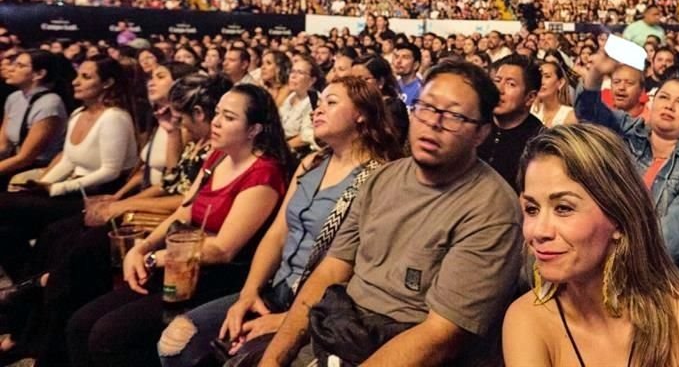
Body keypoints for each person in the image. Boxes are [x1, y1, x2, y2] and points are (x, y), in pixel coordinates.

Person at [257, 60, 523, 367]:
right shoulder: (381, 179)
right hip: (340, 329)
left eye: (453, 115)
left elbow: (441, 335)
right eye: (426, 107)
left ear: (481, 133)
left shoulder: (492, 209)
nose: (433, 123)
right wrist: (274, 359)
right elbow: (332, 269)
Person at [157, 77, 404, 367]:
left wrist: (289, 320)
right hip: (277, 289)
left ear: (362, 114)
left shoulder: (378, 177)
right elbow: (277, 235)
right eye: (319, 103)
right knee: (174, 343)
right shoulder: (311, 162)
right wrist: (248, 295)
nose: (317, 110)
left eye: (331, 103)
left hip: (323, 307)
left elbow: (359, 267)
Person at [65, 84, 290, 367]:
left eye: (229, 117)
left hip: (215, 277)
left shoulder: (264, 172)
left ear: (254, 129)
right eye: (218, 113)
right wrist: (142, 247)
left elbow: (223, 250)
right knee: (80, 323)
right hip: (180, 264)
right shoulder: (218, 156)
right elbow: (183, 212)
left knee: (108, 334)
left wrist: (154, 258)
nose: (216, 122)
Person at [503, 124, 679, 367]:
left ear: (619, 218)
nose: (538, 231)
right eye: (532, 209)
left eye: (564, 208)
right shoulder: (527, 320)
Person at [576, 49, 679, 288]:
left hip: (660, 278)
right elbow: (588, 112)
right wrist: (597, 73)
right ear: (652, 103)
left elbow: (676, 238)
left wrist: (608, 251)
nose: (670, 106)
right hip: (603, 263)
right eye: (664, 98)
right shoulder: (630, 133)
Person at [0, 56, 139, 282]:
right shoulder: (78, 114)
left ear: (107, 83)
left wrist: (57, 189)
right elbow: (68, 161)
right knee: (6, 231)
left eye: (86, 77)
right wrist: (44, 185)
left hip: (97, 196)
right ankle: (27, 284)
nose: (76, 82)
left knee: (4, 203)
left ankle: (29, 285)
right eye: (77, 75)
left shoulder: (115, 118)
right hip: (71, 190)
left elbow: (110, 172)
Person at [0, 50, 72, 189]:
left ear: (39, 74)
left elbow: (26, 158)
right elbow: (3, 146)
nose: (10, 68)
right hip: (13, 162)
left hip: (39, 167)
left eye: (20, 66)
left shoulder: (50, 104)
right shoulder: (14, 98)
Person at [478, 54, 544, 186]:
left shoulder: (539, 141)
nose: (499, 90)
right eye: (497, 81)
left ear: (530, 97)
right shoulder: (477, 124)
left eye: (510, 84)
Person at [352, 54, 409, 141]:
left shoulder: (393, 107)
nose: (355, 85)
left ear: (380, 82)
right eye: (352, 79)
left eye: (362, 79)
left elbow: (387, 142)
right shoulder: (354, 104)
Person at [281, 55, 321, 151]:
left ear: (312, 80)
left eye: (300, 73)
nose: (293, 76)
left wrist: (280, 149)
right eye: (292, 71)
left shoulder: (315, 101)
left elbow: (305, 137)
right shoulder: (291, 96)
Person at [532, 60, 576, 128]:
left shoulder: (570, 116)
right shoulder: (531, 110)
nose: (541, 81)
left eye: (547, 76)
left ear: (560, 83)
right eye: (539, 76)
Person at [393, 42, 422, 109]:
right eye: (397, 57)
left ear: (416, 65)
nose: (398, 61)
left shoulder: (421, 90)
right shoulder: (393, 85)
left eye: (405, 57)